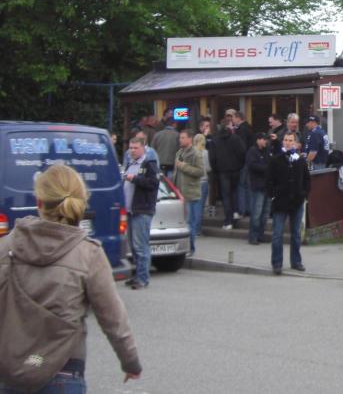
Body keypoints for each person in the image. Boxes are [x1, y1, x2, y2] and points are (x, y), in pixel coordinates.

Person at [0, 165, 142, 391]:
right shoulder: (88, 254)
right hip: (63, 371)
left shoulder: (6, 246)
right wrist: (131, 362)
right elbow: (113, 319)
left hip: (11, 372)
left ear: (39, 202)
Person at [267, 133, 310, 275]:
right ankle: (277, 263)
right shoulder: (276, 160)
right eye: (285, 140)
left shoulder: (300, 160)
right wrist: (273, 195)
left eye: (290, 140)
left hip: (296, 202)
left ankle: (296, 261)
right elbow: (269, 181)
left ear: (296, 143)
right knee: (277, 234)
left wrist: (303, 195)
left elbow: (307, 180)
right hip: (280, 202)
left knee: (296, 234)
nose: (287, 142)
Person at [122, 137, 158, 290]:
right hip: (130, 211)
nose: (132, 150)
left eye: (136, 148)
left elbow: (153, 183)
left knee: (141, 246)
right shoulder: (130, 164)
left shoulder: (149, 164)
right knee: (133, 246)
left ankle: (143, 278)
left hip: (142, 210)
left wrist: (135, 179)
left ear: (144, 148)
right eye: (131, 147)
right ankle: (137, 275)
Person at [173, 129, 205, 255]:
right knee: (181, 223)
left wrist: (182, 166)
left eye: (183, 138)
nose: (180, 140)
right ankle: (182, 247)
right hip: (179, 193)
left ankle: (191, 248)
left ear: (190, 139)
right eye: (180, 138)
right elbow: (176, 172)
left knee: (189, 222)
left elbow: (200, 172)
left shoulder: (196, 154)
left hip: (190, 194)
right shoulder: (179, 153)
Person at [215, 117, 247, 230]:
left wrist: (217, 169)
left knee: (226, 196)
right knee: (234, 193)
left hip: (222, 171)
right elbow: (243, 152)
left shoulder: (216, 140)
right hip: (235, 170)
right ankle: (234, 213)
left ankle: (228, 219)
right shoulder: (235, 138)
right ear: (228, 126)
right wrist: (239, 165)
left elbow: (212, 158)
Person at [246, 133, 272, 245]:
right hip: (257, 185)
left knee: (265, 213)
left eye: (265, 139)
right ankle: (253, 236)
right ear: (258, 140)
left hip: (267, 185)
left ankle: (261, 234)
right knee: (257, 212)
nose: (265, 141)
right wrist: (266, 168)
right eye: (263, 139)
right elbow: (252, 166)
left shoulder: (267, 151)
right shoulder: (252, 151)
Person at [192, 132, 210, 245]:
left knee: (193, 206)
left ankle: (192, 228)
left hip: (193, 182)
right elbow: (208, 168)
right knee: (200, 206)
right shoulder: (205, 153)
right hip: (203, 181)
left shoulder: (190, 152)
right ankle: (197, 230)